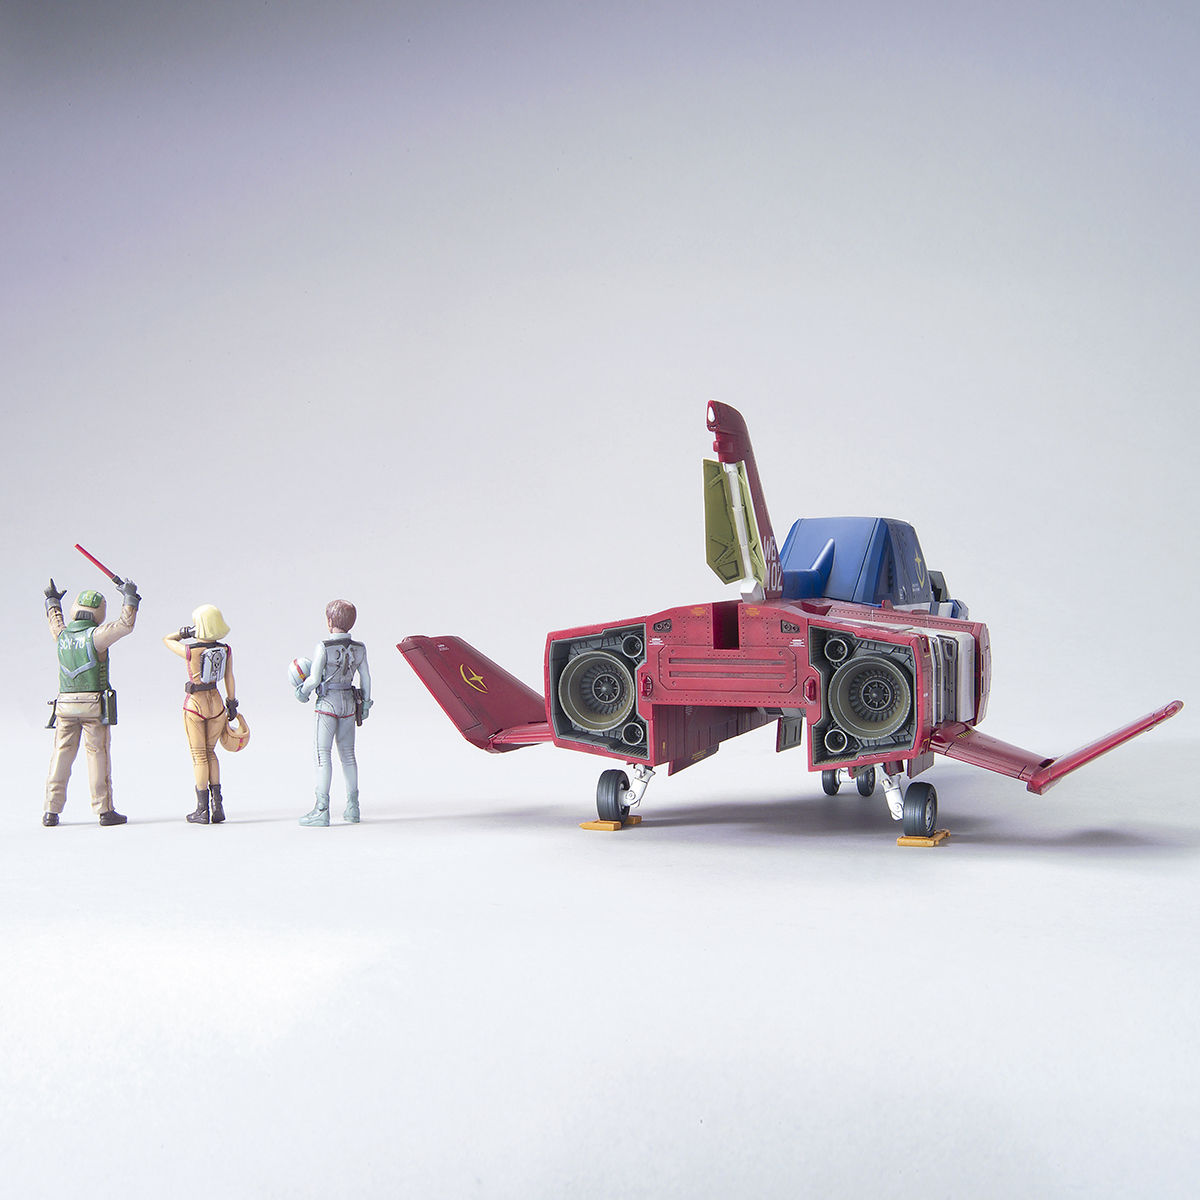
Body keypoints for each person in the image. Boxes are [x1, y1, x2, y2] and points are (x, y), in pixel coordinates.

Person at [43, 576, 140, 826]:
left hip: (64, 707)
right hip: (94, 707)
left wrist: (52, 601)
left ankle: (51, 810)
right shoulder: (97, 636)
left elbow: (55, 621)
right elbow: (125, 625)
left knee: (60, 755)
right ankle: (104, 810)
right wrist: (130, 598)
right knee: (97, 756)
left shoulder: (62, 635)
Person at [163, 605, 246, 824]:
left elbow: (167, 639)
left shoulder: (191, 651)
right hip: (217, 703)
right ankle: (217, 806)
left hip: (196, 705)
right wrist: (231, 703)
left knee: (199, 755)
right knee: (210, 753)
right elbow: (229, 677)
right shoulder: (226, 650)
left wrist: (185, 632)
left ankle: (202, 810)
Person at [295, 599, 372, 826]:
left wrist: (302, 692)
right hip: (349, 703)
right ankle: (353, 807)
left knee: (323, 755)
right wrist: (365, 704)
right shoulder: (360, 648)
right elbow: (366, 677)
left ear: (329, 621)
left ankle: (321, 810)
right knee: (348, 756)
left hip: (328, 704)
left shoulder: (323, 647)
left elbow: (313, 679)